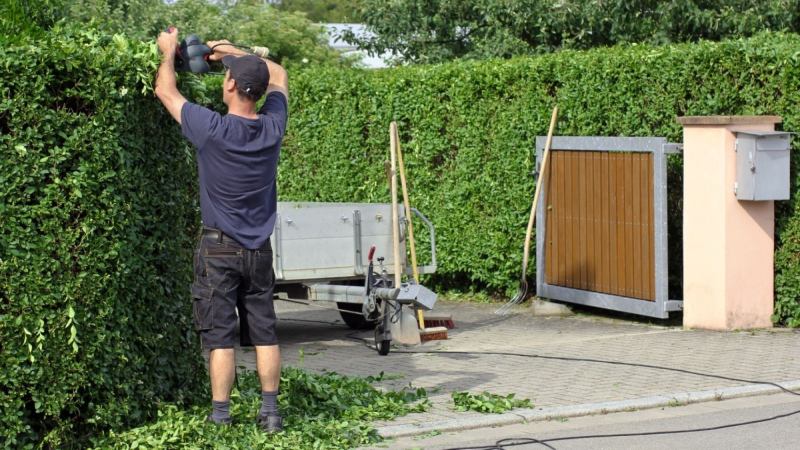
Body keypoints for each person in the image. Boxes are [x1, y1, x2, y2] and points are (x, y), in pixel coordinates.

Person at [154, 27, 289, 432]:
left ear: (229, 85)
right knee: (265, 333)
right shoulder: (272, 127)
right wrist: (230, 53)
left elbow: (165, 90)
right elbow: (278, 74)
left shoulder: (211, 128)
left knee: (220, 337)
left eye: (228, 75)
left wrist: (168, 51)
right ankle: (271, 414)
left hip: (218, 250)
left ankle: (220, 416)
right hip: (259, 250)